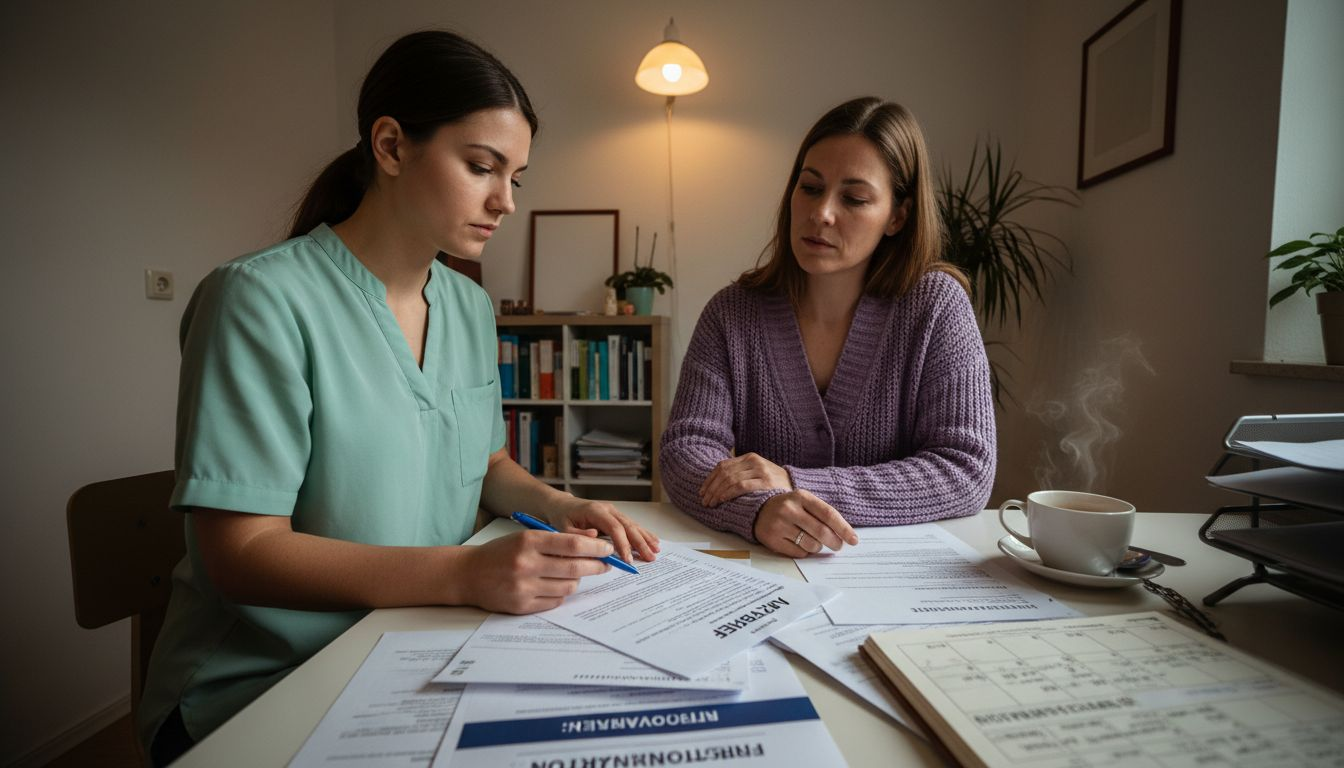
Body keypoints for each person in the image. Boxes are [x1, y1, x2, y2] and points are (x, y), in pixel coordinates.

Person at [138, 30, 658, 763]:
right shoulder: (258, 300)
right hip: (263, 686)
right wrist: (463, 574)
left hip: (416, 646)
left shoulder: (469, 307)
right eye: (482, 167)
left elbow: (484, 463)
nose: (505, 201)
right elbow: (240, 553)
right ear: (390, 146)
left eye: (517, 177)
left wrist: (558, 503)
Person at [659, 97, 995, 558]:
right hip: (762, 572)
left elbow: (965, 470)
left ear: (897, 216)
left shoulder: (936, 307)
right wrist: (759, 513)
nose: (822, 213)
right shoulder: (732, 314)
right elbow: (686, 451)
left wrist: (794, 482)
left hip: (894, 575)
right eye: (810, 187)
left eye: (854, 198)